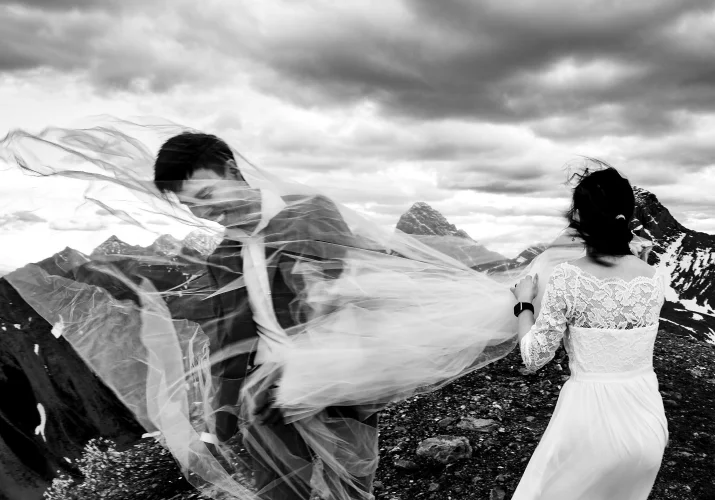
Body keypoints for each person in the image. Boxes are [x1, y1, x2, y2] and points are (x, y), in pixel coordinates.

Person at [153, 131, 380, 500]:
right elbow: (229, 342)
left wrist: (290, 366)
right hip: (266, 403)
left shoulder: (310, 212)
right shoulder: (223, 257)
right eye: (189, 205)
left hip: (341, 384)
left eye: (207, 195)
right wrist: (216, 427)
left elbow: (348, 296)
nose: (203, 212)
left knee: (351, 489)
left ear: (231, 170)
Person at [509, 165, 668, 499]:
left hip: (589, 425)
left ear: (579, 218)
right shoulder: (655, 277)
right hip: (647, 425)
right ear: (627, 217)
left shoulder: (569, 278)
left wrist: (524, 304)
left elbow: (535, 356)